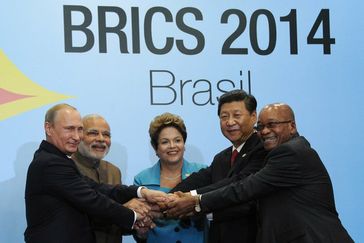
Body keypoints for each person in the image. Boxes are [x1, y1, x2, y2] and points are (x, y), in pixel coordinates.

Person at [168, 103, 354, 243]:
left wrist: (196, 202)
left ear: (292, 126)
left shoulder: (291, 153)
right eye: (260, 127)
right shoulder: (275, 154)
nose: (265, 131)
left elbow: (244, 188)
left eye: (272, 125)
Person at [24, 103, 167, 243]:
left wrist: (141, 192)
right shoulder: (51, 163)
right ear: (48, 128)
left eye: (79, 129)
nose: (76, 136)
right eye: (69, 129)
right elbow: (93, 200)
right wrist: (134, 215)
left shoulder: (59, 160)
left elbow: (97, 188)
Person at [169, 90, 267, 243]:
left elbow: (239, 186)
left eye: (237, 115)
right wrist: (169, 197)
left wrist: (193, 202)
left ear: (253, 116)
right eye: (224, 117)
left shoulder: (263, 149)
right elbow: (200, 179)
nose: (230, 122)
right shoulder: (222, 157)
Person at [133, 112, 208, 243]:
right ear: (155, 148)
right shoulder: (141, 180)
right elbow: (140, 232)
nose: (172, 146)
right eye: (165, 142)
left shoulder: (202, 172)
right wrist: (141, 232)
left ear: (184, 144)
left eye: (177, 140)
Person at [72, 114, 137, 243]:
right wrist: (126, 209)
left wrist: (139, 224)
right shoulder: (67, 167)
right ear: (79, 136)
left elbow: (116, 225)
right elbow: (80, 217)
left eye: (106, 135)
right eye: (93, 133)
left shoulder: (114, 171)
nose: (101, 139)